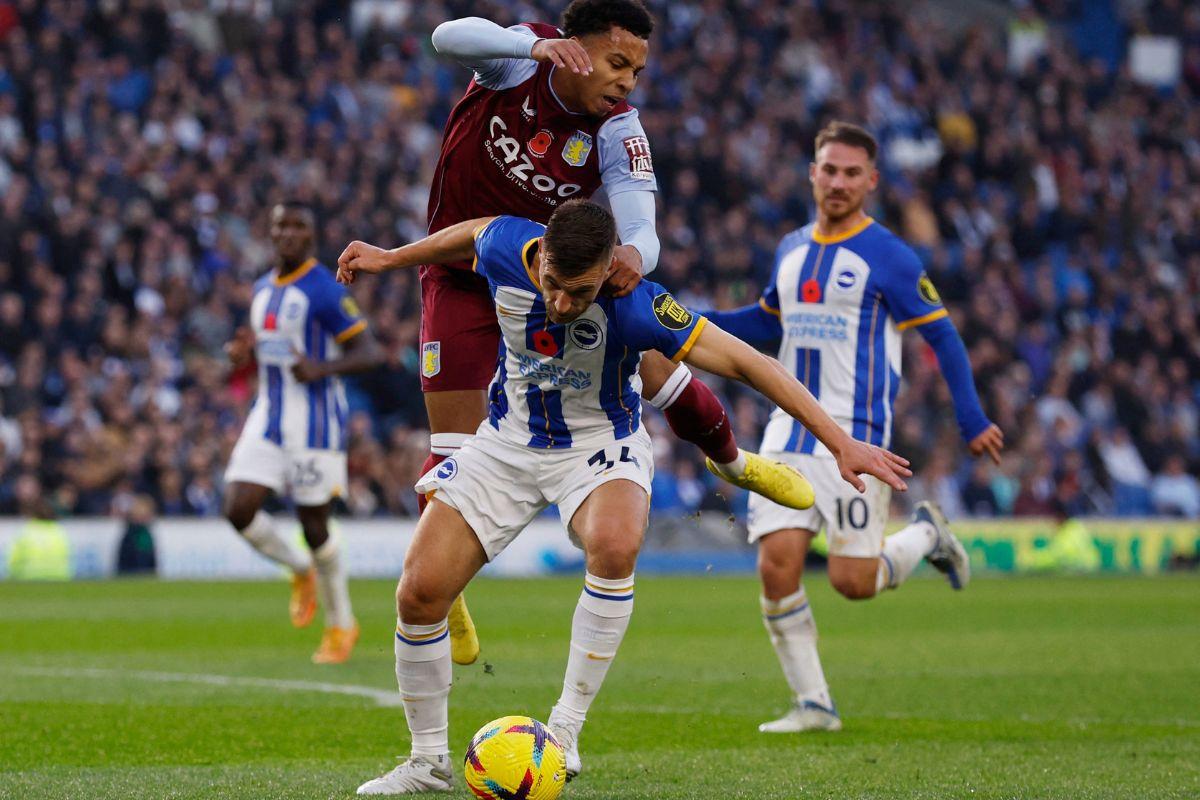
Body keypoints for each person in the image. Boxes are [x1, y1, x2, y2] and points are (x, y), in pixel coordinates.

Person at [337, 199, 911, 794]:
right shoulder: (510, 245)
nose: (560, 303)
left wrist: (840, 442)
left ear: (610, 268)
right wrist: (390, 258)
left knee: (613, 546)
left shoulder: (639, 305)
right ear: (542, 255)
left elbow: (749, 363)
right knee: (419, 592)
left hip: (599, 443)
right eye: (552, 283)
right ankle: (428, 763)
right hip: (506, 443)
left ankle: (563, 732)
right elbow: (466, 235)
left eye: (579, 292)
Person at [417, 0, 812, 665]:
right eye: (618, 62)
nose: (629, 81)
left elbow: (643, 229)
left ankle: (737, 464)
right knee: (448, 454)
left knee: (655, 364)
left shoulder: (618, 130)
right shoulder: (517, 60)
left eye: (638, 69)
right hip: (460, 272)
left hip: (550, 279)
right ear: (576, 48)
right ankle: (447, 595)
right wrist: (529, 50)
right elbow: (444, 36)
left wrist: (636, 256)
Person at [703, 122, 1006, 733]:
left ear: (871, 181)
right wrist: (689, 322)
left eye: (850, 173)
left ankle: (926, 537)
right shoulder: (790, 248)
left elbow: (942, 335)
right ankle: (814, 704)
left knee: (853, 582)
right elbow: (765, 324)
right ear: (812, 173)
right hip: (788, 435)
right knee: (776, 563)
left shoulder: (891, 256)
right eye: (828, 169)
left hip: (858, 435)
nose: (837, 182)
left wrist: (971, 416)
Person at [222, 202, 383, 664]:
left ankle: (341, 626)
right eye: (280, 226)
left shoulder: (324, 290)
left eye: (298, 227)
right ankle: (298, 570)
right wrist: (242, 357)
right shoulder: (260, 288)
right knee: (237, 508)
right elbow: (266, 350)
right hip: (268, 415)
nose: (288, 234)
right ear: (270, 234)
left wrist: (324, 367)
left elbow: (369, 352)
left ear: (311, 237)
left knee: (314, 526)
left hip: (314, 422)